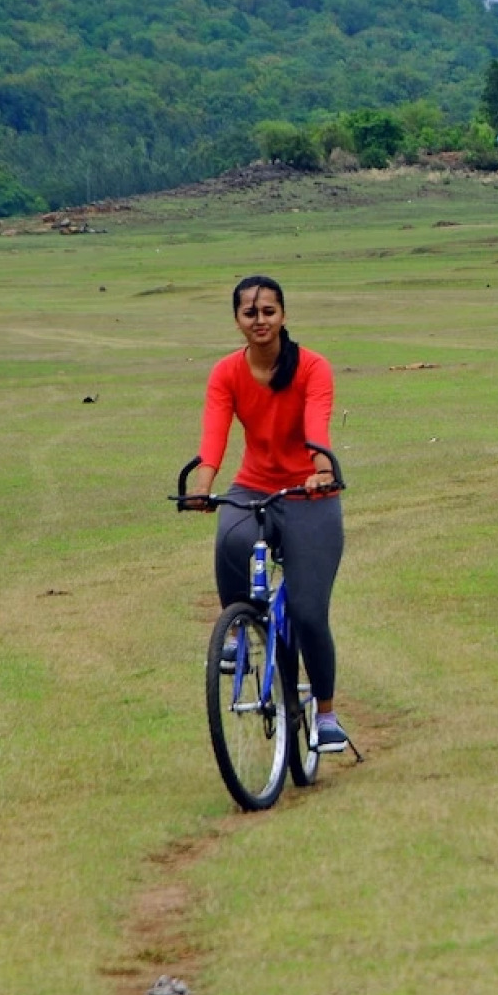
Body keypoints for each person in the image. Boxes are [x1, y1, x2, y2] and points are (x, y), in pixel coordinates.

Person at [184, 274, 348, 751]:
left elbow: (316, 422)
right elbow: (215, 433)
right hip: (254, 484)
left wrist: (320, 468)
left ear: (284, 315)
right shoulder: (226, 373)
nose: (260, 321)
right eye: (250, 313)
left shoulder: (313, 367)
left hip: (309, 493)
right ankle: (238, 625)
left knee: (309, 612)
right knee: (231, 534)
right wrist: (203, 486)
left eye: (269, 312)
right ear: (237, 320)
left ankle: (327, 713)